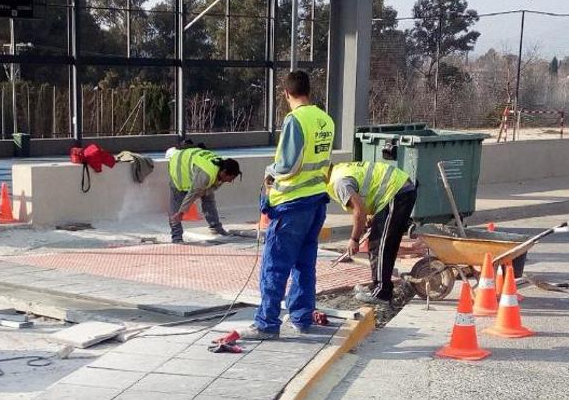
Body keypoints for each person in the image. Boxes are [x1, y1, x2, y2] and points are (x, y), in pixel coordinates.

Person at [242, 70, 333, 339]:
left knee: (275, 265)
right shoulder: (325, 119)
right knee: (305, 264)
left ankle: (267, 322)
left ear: (285, 94)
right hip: (316, 201)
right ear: (309, 91)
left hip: (292, 205)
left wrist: (270, 170)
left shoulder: (295, 120)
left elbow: (288, 165)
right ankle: (302, 317)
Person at [326, 161, 417, 305]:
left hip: (396, 192)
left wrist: (354, 239)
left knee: (380, 244)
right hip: (398, 189)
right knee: (382, 243)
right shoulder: (339, 170)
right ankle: (377, 287)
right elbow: (367, 195)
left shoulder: (338, 183)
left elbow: (359, 210)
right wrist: (370, 218)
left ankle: (381, 293)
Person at [168, 147, 241, 243]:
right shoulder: (206, 175)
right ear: (224, 173)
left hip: (193, 165)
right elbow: (192, 194)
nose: (230, 181)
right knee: (176, 206)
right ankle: (176, 236)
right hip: (178, 165)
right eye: (230, 178)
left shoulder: (221, 168)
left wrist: (204, 192)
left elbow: (213, 187)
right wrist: (181, 212)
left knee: (209, 199)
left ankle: (216, 228)